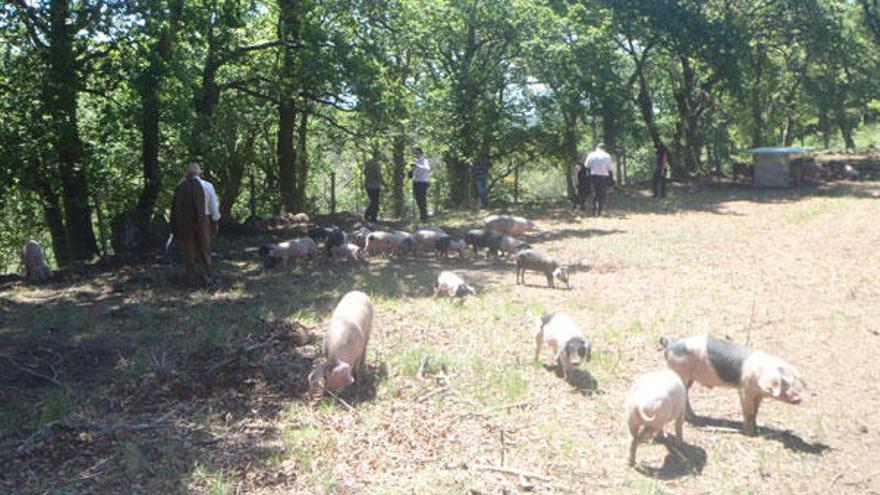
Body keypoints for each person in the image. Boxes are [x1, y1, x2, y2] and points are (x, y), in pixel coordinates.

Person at [170, 162, 220, 285]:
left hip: (185, 222)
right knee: (204, 249)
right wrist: (215, 221)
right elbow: (213, 205)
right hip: (204, 220)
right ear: (199, 172)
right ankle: (206, 277)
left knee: (189, 251)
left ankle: (191, 279)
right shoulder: (207, 186)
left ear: (186, 173)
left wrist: (175, 226)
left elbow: (175, 208)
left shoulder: (180, 187)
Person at [585, 143, 615, 216]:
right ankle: (599, 210)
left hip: (593, 176)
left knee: (595, 193)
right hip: (603, 177)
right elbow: (610, 168)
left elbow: (586, 165)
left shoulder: (591, 155)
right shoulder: (607, 156)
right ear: (604, 148)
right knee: (602, 194)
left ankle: (594, 209)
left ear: (597, 147)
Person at [364, 154, 386, 222]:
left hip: (368, 185)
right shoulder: (377, 164)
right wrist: (385, 185)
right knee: (375, 202)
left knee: (373, 201)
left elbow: (364, 172)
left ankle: (368, 215)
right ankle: (372, 217)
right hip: (375, 186)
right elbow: (379, 176)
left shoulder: (367, 163)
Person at [410, 147, 431, 221]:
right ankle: (422, 215)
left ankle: (424, 216)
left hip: (422, 182)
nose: (416, 155)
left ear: (421, 154)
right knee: (418, 199)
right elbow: (413, 173)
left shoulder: (424, 161)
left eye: (417, 153)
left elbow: (427, 169)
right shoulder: (416, 161)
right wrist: (411, 171)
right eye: (415, 153)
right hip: (416, 182)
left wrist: (417, 166)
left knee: (422, 199)